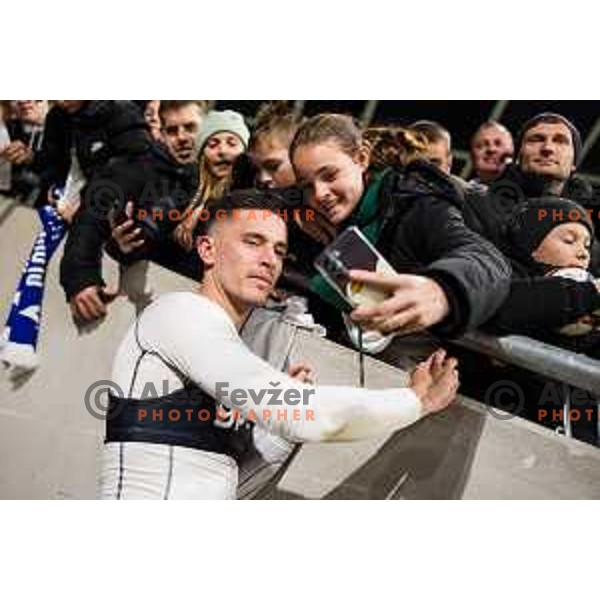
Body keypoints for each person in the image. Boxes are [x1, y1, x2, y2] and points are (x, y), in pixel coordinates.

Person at [98, 190, 459, 499]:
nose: (269, 259)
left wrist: (279, 434)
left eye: (279, 250)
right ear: (207, 249)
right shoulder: (180, 313)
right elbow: (313, 416)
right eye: (252, 242)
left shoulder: (220, 350)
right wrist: (416, 401)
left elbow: (230, 484)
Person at [287, 113, 511, 354]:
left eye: (330, 176)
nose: (319, 194)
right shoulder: (320, 214)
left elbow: (488, 260)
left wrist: (442, 290)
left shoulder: (415, 204)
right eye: (307, 185)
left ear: (362, 158)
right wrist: (297, 212)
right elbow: (266, 200)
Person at [172, 110, 250, 251]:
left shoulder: (251, 190)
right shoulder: (183, 188)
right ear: (201, 156)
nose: (222, 151)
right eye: (212, 145)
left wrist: (205, 211)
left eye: (232, 144)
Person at [469, 120, 514, 185]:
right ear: (472, 155)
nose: (491, 149)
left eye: (498, 144)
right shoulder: (461, 193)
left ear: (512, 150)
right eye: (481, 146)